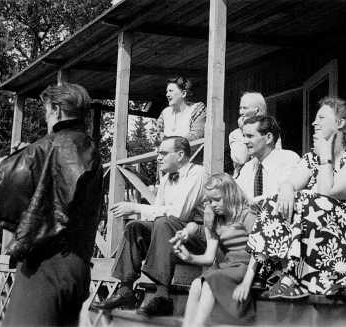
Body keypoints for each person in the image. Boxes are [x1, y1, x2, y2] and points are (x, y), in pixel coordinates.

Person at [0, 82, 103, 326]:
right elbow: (58, 195)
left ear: (56, 109)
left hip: (45, 269)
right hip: (77, 271)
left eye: (46, 112)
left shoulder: (46, 148)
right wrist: (27, 156)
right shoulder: (89, 149)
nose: (46, 119)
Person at [246, 96, 346, 299]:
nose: (314, 122)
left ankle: (298, 277)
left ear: (340, 123)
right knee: (276, 200)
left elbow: (330, 193)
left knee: (310, 200)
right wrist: (288, 189)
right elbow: (290, 183)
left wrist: (326, 156)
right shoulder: (311, 158)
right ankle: (286, 274)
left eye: (321, 117)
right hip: (316, 231)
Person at [95, 136, 207, 316]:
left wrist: (135, 206)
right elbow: (157, 212)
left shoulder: (197, 173)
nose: (158, 157)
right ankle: (126, 290)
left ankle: (163, 296)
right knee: (135, 227)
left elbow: (179, 213)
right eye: (158, 153)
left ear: (180, 155)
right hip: (173, 234)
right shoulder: (166, 179)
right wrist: (140, 213)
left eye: (163, 153)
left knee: (164, 223)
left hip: (199, 237)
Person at [171, 173, 257, 327]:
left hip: (248, 265)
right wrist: (189, 257)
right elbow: (209, 257)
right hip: (229, 266)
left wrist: (246, 283)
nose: (213, 204)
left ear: (230, 194)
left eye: (217, 199)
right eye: (210, 201)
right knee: (197, 284)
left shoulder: (246, 215)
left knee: (211, 282)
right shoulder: (216, 220)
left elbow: (259, 250)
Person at [235, 115, 300, 202]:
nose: (245, 141)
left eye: (250, 136)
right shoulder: (247, 168)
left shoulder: (288, 160)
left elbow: (278, 198)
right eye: (244, 136)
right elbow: (235, 197)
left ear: (269, 138)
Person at [229, 92, 281, 177]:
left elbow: (276, 158)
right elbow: (241, 158)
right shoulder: (235, 134)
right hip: (243, 180)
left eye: (244, 108)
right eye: (240, 108)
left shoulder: (270, 134)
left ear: (257, 110)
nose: (240, 112)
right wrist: (243, 130)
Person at [157, 76, 206, 141]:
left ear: (183, 93)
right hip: (166, 151)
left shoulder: (197, 109)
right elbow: (158, 136)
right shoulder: (165, 113)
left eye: (171, 91)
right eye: (167, 91)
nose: (167, 94)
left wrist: (169, 141)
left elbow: (196, 136)